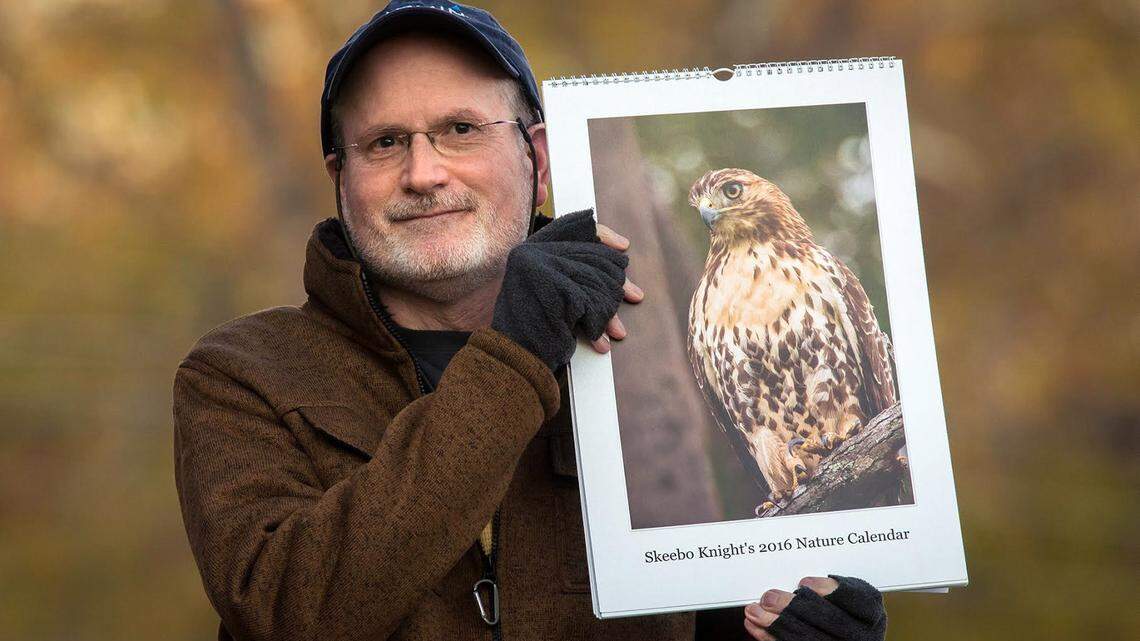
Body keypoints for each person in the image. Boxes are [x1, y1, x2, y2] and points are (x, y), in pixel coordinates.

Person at [172, 2, 888, 640]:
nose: (423, 173)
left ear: (536, 157)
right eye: (385, 142)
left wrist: (783, 626)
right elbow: (287, 615)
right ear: (341, 177)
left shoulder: (640, 344)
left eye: (460, 129)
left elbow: (694, 599)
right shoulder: (244, 374)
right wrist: (514, 353)